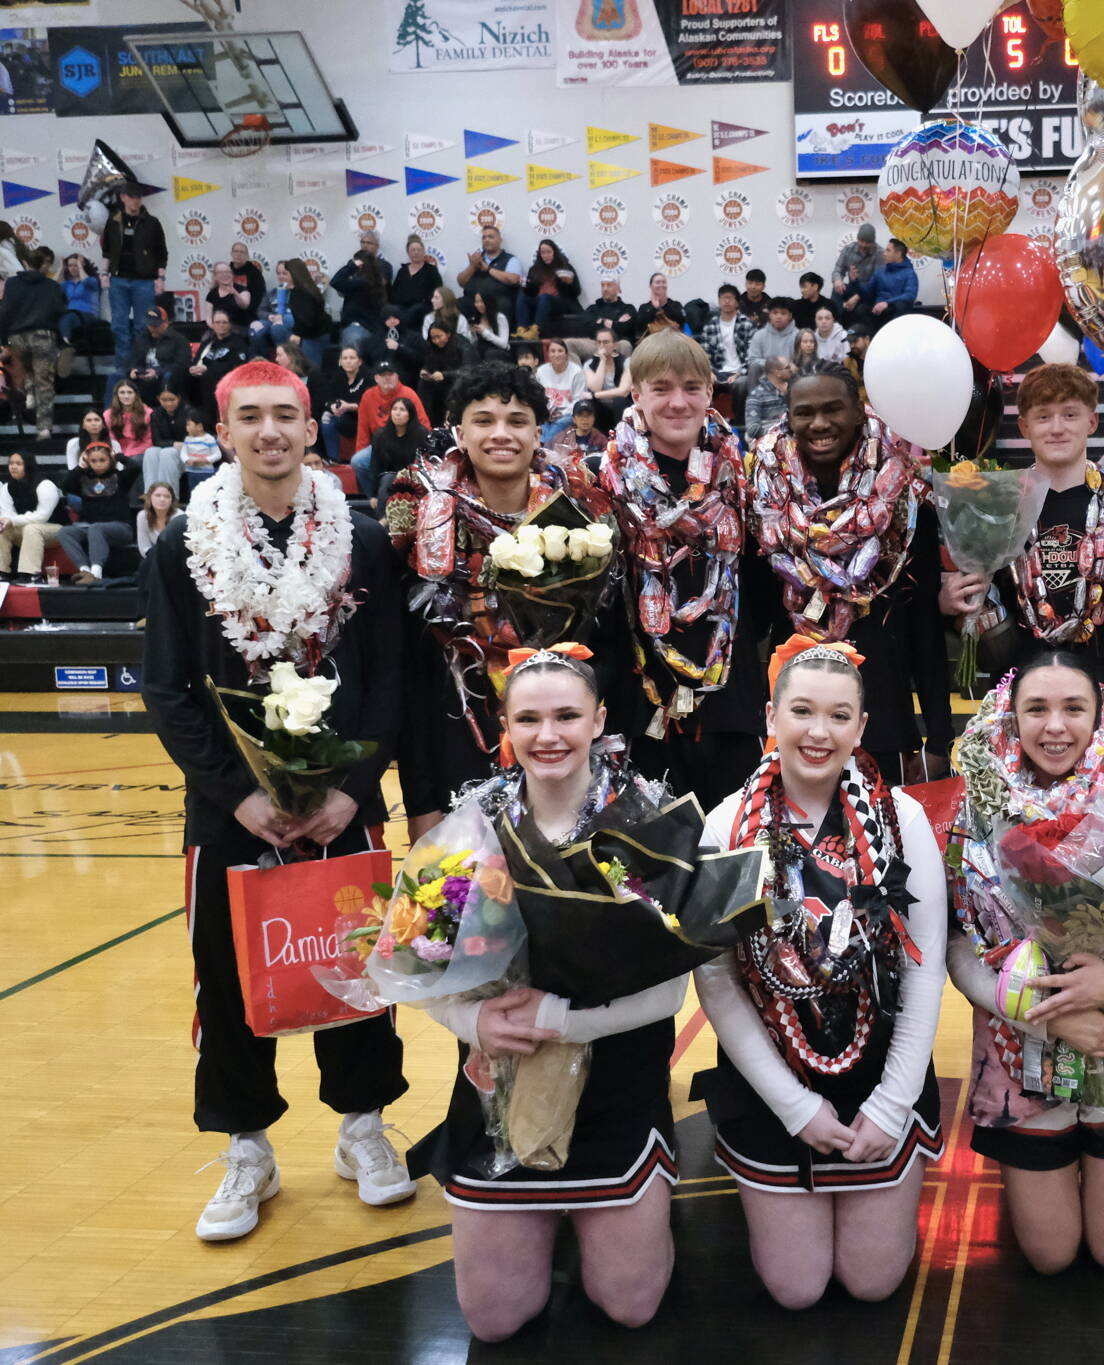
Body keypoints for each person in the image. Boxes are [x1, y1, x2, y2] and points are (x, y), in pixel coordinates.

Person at [138, 359, 410, 1241]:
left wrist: (352, 789)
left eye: (285, 415)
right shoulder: (179, 547)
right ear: (222, 433)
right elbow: (169, 690)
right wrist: (239, 797)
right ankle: (246, 1147)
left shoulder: (362, 539)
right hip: (230, 814)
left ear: (310, 426)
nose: (269, 432)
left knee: (361, 973)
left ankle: (365, 1128)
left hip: (340, 808)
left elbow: (389, 681)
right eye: (249, 417)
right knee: (227, 984)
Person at [406, 647, 684, 1340]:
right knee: (495, 1318)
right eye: (528, 718)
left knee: (630, 1303)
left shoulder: (648, 822)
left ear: (600, 720)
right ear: (505, 724)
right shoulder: (468, 824)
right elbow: (412, 965)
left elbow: (673, 989)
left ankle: (617, 1219)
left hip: (617, 1085)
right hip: (499, 1086)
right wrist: (471, 1018)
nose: (549, 734)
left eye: (567, 714)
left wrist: (557, 1018)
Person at [693, 641, 947, 1309]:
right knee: (795, 1288)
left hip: (879, 1076)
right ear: (769, 716)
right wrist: (793, 1104)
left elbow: (925, 968)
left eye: (839, 715)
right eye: (801, 710)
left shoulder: (905, 819)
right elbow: (716, 980)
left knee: (873, 1281)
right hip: (771, 1081)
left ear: (861, 727)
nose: (817, 731)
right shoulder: (724, 826)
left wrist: (892, 1104)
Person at [947, 653, 1104, 1274]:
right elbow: (955, 947)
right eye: (1036, 709)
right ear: (1011, 714)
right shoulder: (971, 810)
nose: (1055, 726)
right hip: (1019, 1051)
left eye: (1073, 708)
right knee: (1051, 1256)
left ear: (1100, 715)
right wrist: (1041, 1014)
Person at [385, 361, 619, 832]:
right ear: (459, 432)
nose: (501, 435)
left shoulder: (580, 509)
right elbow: (410, 674)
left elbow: (607, 644)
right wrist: (421, 800)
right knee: (467, 901)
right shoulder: (418, 516)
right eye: (484, 421)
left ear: (538, 434)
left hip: (564, 747)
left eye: (517, 422)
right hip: (459, 736)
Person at [744, 364, 955, 784]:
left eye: (833, 409)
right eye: (805, 412)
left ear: (859, 412)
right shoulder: (760, 503)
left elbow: (925, 630)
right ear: (788, 418)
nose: (819, 423)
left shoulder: (905, 499)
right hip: (795, 725)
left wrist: (939, 737)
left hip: (884, 721)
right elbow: (756, 622)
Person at [595, 332, 755, 804]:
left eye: (691, 387)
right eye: (661, 388)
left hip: (730, 702)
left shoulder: (743, 477)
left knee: (737, 859)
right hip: (641, 706)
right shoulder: (601, 481)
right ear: (637, 395)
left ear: (710, 392)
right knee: (652, 866)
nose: (678, 402)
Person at [938, 365, 1104, 693]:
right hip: (1020, 691)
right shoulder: (996, 509)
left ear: (1092, 422)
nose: (1057, 428)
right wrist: (951, 603)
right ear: (1024, 427)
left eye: (1070, 414)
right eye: (1044, 416)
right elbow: (976, 608)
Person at [100, 181, 167, 369]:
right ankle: (123, 368)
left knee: (143, 326)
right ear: (123, 198)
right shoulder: (113, 221)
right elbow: (107, 251)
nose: (135, 201)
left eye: (138, 197)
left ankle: (142, 365)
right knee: (119, 326)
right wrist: (104, 274)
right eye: (131, 197)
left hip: (144, 280)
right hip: (118, 279)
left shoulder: (152, 223)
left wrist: (160, 279)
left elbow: (162, 254)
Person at [56, 441, 141, 583]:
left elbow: (136, 467)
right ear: (87, 461)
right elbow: (64, 485)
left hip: (120, 527)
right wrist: (80, 467)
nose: (98, 464)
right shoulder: (83, 478)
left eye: (102, 460)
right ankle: (85, 571)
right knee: (64, 532)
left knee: (96, 527)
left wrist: (119, 456)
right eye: (93, 461)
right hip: (90, 528)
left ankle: (96, 573)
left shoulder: (120, 477)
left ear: (110, 460)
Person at [0, 244, 61, 439]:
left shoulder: (12, 284)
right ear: (43, 265)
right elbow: (60, 311)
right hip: (43, 335)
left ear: (25, 262)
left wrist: (4, 340)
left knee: (25, 369)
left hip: (17, 336)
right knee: (45, 381)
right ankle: (43, 428)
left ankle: (28, 391)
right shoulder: (52, 286)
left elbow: (5, 312)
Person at [350, 361, 424, 493]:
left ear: (397, 376)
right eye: (382, 375)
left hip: (408, 442)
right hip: (381, 442)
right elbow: (363, 427)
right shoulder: (368, 396)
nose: (387, 378)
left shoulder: (409, 394)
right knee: (358, 461)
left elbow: (423, 424)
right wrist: (360, 449)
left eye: (390, 374)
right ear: (376, 378)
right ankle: (373, 497)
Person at [0, 449, 60, 581]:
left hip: (58, 530)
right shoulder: (7, 487)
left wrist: (13, 521)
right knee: (3, 528)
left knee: (32, 529)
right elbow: (7, 515)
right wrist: (6, 521)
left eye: (19, 463)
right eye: (11, 463)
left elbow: (42, 516)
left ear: (28, 465)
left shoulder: (45, 485)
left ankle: (31, 575)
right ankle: (2, 572)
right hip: (27, 530)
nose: (13, 467)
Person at [332, 244, 394, 356]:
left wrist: (351, 266)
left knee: (351, 361)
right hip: (372, 328)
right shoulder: (375, 281)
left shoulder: (360, 283)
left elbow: (335, 282)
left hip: (357, 328)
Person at [513, 238, 580, 341]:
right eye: (543, 253)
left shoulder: (565, 267)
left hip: (558, 303)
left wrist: (569, 283)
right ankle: (521, 329)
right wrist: (525, 285)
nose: (546, 255)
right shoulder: (534, 269)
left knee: (545, 297)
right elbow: (531, 292)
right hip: (539, 302)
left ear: (555, 252)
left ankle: (535, 331)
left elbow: (576, 292)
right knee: (522, 294)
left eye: (548, 252)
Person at [414, 316, 476, 425]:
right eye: (433, 338)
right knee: (423, 384)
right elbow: (430, 363)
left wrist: (445, 375)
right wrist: (426, 370)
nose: (436, 341)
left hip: (460, 382)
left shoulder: (462, 344)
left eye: (439, 336)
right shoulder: (434, 347)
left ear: (448, 334)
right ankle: (425, 421)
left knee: (456, 386)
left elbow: (468, 370)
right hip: (440, 383)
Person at [457, 223, 522, 322]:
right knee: (457, 304)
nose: (486, 240)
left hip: (498, 300)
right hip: (472, 299)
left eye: (490, 237)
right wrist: (472, 266)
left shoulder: (510, 259)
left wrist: (488, 269)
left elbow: (513, 279)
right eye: (484, 237)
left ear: (500, 240)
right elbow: (461, 282)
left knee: (505, 304)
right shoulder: (475, 259)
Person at [317, 346, 369, 465]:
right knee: (326, 416)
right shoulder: (338, 376)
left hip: (361, 416)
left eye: (352, 358)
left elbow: (370, 404)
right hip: (343, 415)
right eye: (345, 358)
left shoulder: (367, 376)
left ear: (359, 361)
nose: (348, 361)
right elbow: (328, 399)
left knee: (340, 419)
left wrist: (349, 406)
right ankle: (333, 458)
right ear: (340, 361)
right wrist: (333, 407)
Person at [533, 337, 589, 442]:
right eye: (552, 351)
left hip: (568, 413)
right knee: (542, 423)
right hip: (546, 413)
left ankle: (544, 446)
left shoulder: (576, 372)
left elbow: (579, 400)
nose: (556, 354)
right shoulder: (541, 371)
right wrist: (546, 413)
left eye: (560, 351)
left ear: (566, 354)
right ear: (548, 355)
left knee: (556, 427)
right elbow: (537, 397)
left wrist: (562, 414)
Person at [703, 284, 755, 383]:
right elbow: (704, 354)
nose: (726, 301)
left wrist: (739, 374)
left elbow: (752, 355)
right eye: (723, 298)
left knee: (741, 383)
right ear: (718, 301)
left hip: (740, 372)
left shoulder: (747, 324)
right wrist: (709, 372)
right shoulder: (710, 325)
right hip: (716, 372)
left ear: (737, 303)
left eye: (730, 298)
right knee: (701, 382)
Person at [831, 223, 882, 319]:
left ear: (873, 242)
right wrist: (838, 280)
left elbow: (877, 283)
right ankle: (835, 324)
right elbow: (837, 270)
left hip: (870, 292)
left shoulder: (879, 253)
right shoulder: (848, 250)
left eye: (867, 242)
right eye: (861, 241)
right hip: (854, 287)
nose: (864, 244)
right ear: (857, 239)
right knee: (836, 290)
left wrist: (857, 297)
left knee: (861, 309)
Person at [387, 233, 442, 322]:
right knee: (387, 310)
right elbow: (394, 292)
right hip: (401, 308)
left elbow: (438, 291)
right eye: (413, 250)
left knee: (416, 310)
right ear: (408, 253)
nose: (416, 252)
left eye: (419, 250)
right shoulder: (402, 271)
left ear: (424, 252)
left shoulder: (431, 271)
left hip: (422, 308)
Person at [56, 252, 102, 353]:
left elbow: (86, 281)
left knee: (67, 317)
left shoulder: (92, 280)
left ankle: (65, 346)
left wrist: (81, 266)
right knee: (61, 316)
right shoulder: (67, 283)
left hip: (89, 315)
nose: (72, 268)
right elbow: (54, 287)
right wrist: (61, 267)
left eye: (75, 265)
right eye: (70, 266)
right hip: (72, 314)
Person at [583, 328, 631, 421]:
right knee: (587, 402)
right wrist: (602, 361)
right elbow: (596, 388)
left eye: (605, 342)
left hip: (621, 404)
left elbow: (623, 391)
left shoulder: (626, 362)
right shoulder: (589, 364)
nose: (602, 346)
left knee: (619, 401)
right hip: (601, 406)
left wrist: (594, 395)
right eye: (599, 342)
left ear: (615, 345)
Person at [869, 239, 921, 321]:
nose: (884, 253)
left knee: (901, 306)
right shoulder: (880, 272)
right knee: (861, 308)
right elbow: (868, 290)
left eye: (888, 251)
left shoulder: (910, 274)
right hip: (876, 310)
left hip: (895, 312)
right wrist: (855, 283)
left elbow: (910, 295)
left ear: (898, 254)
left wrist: (887, 303)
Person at [745, 354, 794, 441]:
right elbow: (752, 429)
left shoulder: (794, 389)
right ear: (777, 372)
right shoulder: (757, 395)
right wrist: (780, 435)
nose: (791, 370)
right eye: (788, 367)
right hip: (768, 443)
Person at [104, 381, 154, 460]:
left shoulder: (148, 413)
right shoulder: (108, 414)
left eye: (130, 392)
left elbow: (149, 441)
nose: (126, 396)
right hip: (118, 453)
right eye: (122, 392)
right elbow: (111, 440)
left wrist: (128, 455)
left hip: (141, 452)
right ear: (117, 395)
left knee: (133, 462)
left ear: (136, 395)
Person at [632, 273, 689, 343]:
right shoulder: (644, 307)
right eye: (658, 282)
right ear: (651, 286)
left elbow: (681, 321)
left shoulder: (676, 305)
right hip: (651, 343)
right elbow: (640, 326)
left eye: (664, 282)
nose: (661, 285)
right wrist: (654, 308)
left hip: (673, 342)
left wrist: (660, 307)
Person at [203, 261, 257, 333]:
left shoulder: (242, 290)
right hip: (218, 328)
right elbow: (209, 318)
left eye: (227, 272)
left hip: (239, 328)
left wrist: (235, 293)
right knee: (205, 339)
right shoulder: (212, 294)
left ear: (232, 274)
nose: (225, 274)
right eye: (220, 272)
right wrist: (215, 328)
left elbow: (244, 305)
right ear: (215, 276)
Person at [550, 398, 607, 464]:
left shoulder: (601, 439)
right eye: (580, 415)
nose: (585, 419)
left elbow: (606, 461)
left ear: (594, 418)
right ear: (574, 419)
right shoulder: (562, 438)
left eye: (588, 415)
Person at [748, 299, 800, 369]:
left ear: (790, 316)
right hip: (764, 374)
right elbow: (752, 360)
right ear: (769, 315)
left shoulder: (799, 335)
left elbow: (802, 361)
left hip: (790, 373)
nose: (778, 317)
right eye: (775, 313)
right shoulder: (759, 335)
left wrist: (786, 367)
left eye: (783, 313)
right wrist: (774, 364)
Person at [136, 479, 177, 556]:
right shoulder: (142, 516)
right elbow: (144, 548)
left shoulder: (179, 517)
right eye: (157, 495)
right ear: (149, 498)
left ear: (172, 500)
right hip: (153, 558)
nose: (162, 499)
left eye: (167, 496)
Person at [469, 289, 512, 358]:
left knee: (490, 354)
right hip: (482, 351)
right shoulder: (475, 319)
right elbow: (474, 342)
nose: (479, 305)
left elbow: (504, 344)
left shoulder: (500, 317)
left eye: (481, 301)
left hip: (499, 353)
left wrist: (485, 332)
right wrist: (472, 333)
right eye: (476, 302)